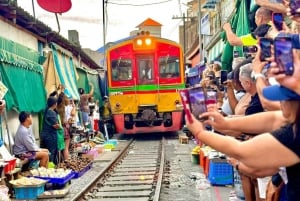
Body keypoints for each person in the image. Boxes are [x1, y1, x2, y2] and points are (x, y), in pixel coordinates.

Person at [185, 84, 300, 201]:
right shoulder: (294, 119)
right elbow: (273, 119)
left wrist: (200, 132)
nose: (280, 103)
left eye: (283, 99)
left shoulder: (295, 134)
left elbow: (243, 152)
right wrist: (226, 123)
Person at [40, 96, 61, 165]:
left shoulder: (46, 111)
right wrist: (59, 127)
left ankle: (46, 168)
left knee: (46, 153)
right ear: (55, 104)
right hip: (51, 136)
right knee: (52, 153)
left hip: (44, 136)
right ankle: (51, 168)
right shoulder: (52, 112)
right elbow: (55, 125)